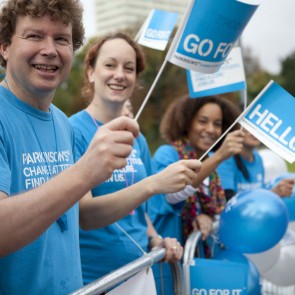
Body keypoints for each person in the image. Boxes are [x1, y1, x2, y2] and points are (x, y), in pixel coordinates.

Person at [0, 2, 201, 294]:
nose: (50, 49)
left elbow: (85, 217)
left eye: (61, 39)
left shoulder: (61, 123)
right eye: (34, 36)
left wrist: (152, 233)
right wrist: (87, 171)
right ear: (4, 46)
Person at [69, 33, 202, 286]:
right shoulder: (72, 130)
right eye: (110, 65)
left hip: (139, 272)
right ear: (91, 72)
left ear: (136, 80)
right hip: (94, 280)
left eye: (129, 69)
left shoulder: (136, 137)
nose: (120, 74)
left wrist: (154, 239)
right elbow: (84, 215)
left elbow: (140, 212)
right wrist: (154, 184)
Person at [147, 95, 245, 294]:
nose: (211, 129)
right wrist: (218, 157)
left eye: (217, 124)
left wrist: (206, 217)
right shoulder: (168, 154)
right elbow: (173, 194)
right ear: (186, 122)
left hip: (200, 268)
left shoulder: (213, 166)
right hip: (169, 268)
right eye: (203, 121)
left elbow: (211, 208)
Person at [217, 129, 294, 200]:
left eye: (256, 127)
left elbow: (260, 191)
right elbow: (227, 200)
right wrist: (272, 194)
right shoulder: (225, 158)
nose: (254, 131)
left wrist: (280, 190)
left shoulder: (258, 158)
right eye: (248, 126)